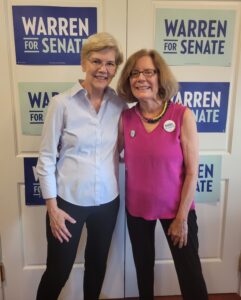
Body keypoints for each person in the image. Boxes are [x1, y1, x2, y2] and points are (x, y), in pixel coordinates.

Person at [36, 32, 126, 300]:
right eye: (96, 61)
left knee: (97, 267)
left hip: (108, 203)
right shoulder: (61, 103)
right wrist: (52, 208)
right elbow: (46, 158)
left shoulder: (120, 104)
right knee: (58, 271)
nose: (103, 69)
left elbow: (124, 148)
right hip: (68, 204)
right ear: (83, 62)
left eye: (110, 64)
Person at [117, 49, 208, 300]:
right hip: (137, 210)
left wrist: (181, 218)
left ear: (160, 77)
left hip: (177, 210)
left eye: (148, 72)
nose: (140, 78)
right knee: (143, 273)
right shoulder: (126, 118)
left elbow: (192, 171)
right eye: (134, 73)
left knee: (190, 275)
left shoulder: (182, 115)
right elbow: (108, 154)